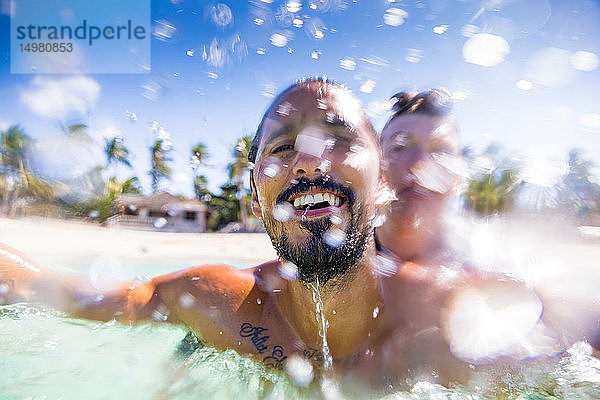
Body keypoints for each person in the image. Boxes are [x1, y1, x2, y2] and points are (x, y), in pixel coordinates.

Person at [0, 79, 594, 391]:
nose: (309, 159)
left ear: (384, 185)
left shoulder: (451, 323)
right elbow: (61, 293)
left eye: (338, 138)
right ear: (257, 197)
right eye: (282, 147)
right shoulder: (211, 301)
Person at [376, 89, 460, 265]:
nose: (419, 163)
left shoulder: (482, 265)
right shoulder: (339, 259)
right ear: (377, 169)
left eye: (440, 150)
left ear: (457, 177)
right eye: (399, 147)